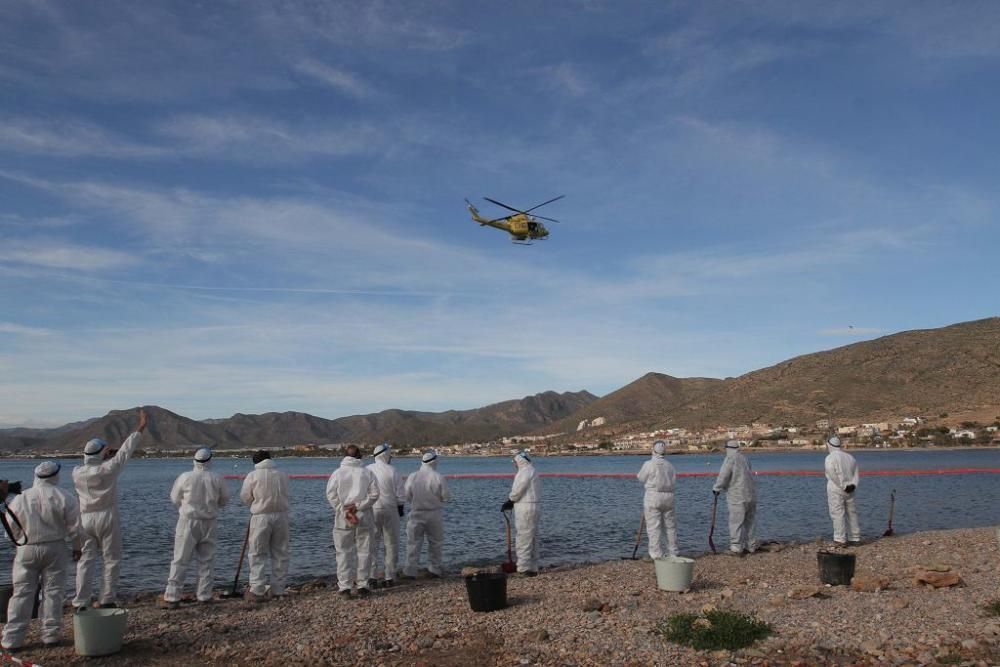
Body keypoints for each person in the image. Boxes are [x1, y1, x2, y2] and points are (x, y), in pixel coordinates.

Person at [71, 408, 148, 609]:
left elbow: (98, 462)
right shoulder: (109, 469)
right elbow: (125, 452)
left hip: (85, 518)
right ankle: (106, 598)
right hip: (106, 516)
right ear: (103, 454)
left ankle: (80, 601)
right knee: (111, 559)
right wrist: (140, 427)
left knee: (86, 561)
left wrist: (104, 455)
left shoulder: (77, 473)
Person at [1, 462, 81, 650]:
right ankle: (51, 635)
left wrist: (21, 542)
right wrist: (77, 547)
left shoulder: (20, 499)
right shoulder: (65, 496)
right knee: (53, 592)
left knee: (21, 593)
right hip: (55, 548)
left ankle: (12, 639)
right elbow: (76, 528)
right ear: (55, 476)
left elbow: (9, 531)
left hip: (26, 549)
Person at [161, 447, 229, 609]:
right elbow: (224, 500)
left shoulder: (185, 477)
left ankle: (172, 596)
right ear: (210, 460)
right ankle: (204, 595)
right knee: (206, 560)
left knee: (180, 559)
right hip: (209, 522)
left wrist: (184, 508)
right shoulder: (217, 478)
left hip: (188, 521)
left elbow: (174, 498)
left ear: (194, 460)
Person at [326, 445, 379, 598]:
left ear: (344, 456)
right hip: (363, 515)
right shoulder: (367, 473)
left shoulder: (337, 473)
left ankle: (345, 587)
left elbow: (331, 495)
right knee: (364, 551)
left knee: (343, 552)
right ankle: (363, 585)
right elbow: (375, 494)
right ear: (360, 456)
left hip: (344, 516)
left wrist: (343, 509)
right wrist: (358, 506)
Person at [239, 450, 290, 603]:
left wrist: (255, 503)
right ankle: (278, 589)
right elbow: (287, 493)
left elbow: (245, 497)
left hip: (261, 516)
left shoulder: (252, 476)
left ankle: (257, 589)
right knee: (280, 553)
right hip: (281, 516)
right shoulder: (282, 474)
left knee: (257, 553)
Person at [403, 450, 449, 579]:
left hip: (416, 513)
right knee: (435, 543)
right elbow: (446, 497)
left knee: (412, 543)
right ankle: (435, 569)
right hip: (434, 514)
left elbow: (406, 496)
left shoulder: (412, 476)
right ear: (434, 462)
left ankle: (410, 571)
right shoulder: (438, 477)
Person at [366, 443, 405, 587]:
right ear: (385, 455)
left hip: (372, 510)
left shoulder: (367, 470)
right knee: (391, 544)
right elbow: (400, 494)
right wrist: (400, 507)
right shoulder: (393, 470)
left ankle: (372, 577)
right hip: (390, 509)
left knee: (372, 544)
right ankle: (389, 577)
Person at [713, 440, 758, 555]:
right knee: (750, 522)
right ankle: (751, 546)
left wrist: (717, 488)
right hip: (751, 494)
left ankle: (736, 547)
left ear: (727, 448)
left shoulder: (730, 458)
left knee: (736, 522)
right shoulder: (744, 458)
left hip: (737, 496)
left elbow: (724, 475)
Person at [501, 450, 540, 576]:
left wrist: (510, 500)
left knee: (523, 537)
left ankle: (523, 568)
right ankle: (533, 567)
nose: (514, 464)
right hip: (534, 506)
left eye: (515, 462)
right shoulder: (533, 470)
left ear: (519, 461)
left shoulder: (524, 472)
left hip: (525, 508)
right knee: (532, 538)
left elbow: (518, 489)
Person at [637, 440, 678, 559]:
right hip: (669, 497)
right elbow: (674, 481)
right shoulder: (670, 466)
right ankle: (673, 552)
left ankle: (656, 555)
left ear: (653, 450)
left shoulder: (648, 464)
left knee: (654, 527)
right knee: (670, 527)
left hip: (653, 497)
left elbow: (640, 478)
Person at [824, 435, 861, 546]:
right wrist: (853, 485)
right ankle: (855, 538)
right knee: (852, 513)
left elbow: (832, 473)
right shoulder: (850, 457)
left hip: (836, 489)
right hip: (850, 490)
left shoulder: (829, 458)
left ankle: (840, 539)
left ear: (829, 445)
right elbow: (856, 474)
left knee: (837, 514)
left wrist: (842, 485)